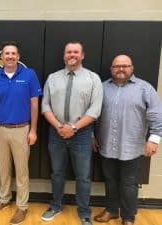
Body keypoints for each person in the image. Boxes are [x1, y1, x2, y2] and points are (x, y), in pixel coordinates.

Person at [93, 55, 162, 225]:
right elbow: (92, 115)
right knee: (110, 180)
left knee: (129, 183)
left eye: (125, 65)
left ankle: (128, 217)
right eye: (117, 66)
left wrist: (154, 140)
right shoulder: (101, 88)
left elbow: (157, 115)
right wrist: (92, 136)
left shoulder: (145, 89)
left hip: (132, 147)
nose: (121, 69)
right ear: (111, 69)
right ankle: (111, 210)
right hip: (106, 145)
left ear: (132, 68)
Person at [41, 41, 103, 225]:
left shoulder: (93, 78)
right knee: (57, 173)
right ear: (64, 55)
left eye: (76, 52)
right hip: (56, 133)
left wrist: (74, 128)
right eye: (69, 52)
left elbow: (95, 109)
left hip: (82, 135)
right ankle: (56, 206)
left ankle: (84, 212)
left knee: (83, 176)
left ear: (82, 55)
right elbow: (45, 105)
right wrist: (59, 126)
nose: (72, 55)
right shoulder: (53, 78)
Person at [0, 41, 42, 225]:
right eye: (6, 53)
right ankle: (4, 199)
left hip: (22, 130)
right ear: (1, 57)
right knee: (3, 169)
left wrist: (33, 130)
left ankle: (22, 207)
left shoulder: (29, 75)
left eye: (13, 53)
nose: (9, 56)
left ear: (18, 57)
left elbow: (35, 104)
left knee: (22, 171)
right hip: (0, 130)